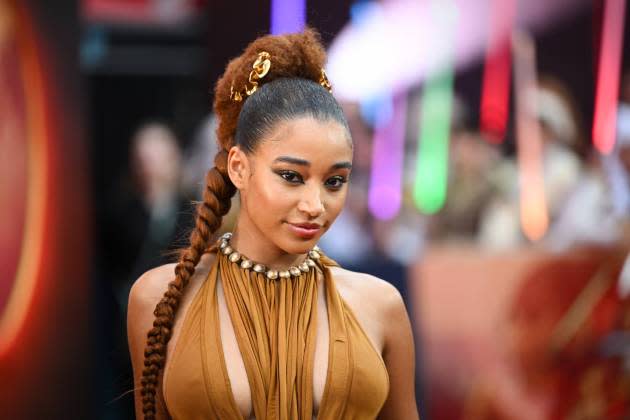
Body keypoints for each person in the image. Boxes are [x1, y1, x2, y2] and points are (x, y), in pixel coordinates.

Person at [126, 29, 419, 420]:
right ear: (238, 168)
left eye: (335, 181)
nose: (315, 206)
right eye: (291, 177)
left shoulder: (380, 305)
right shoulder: (157, 298)